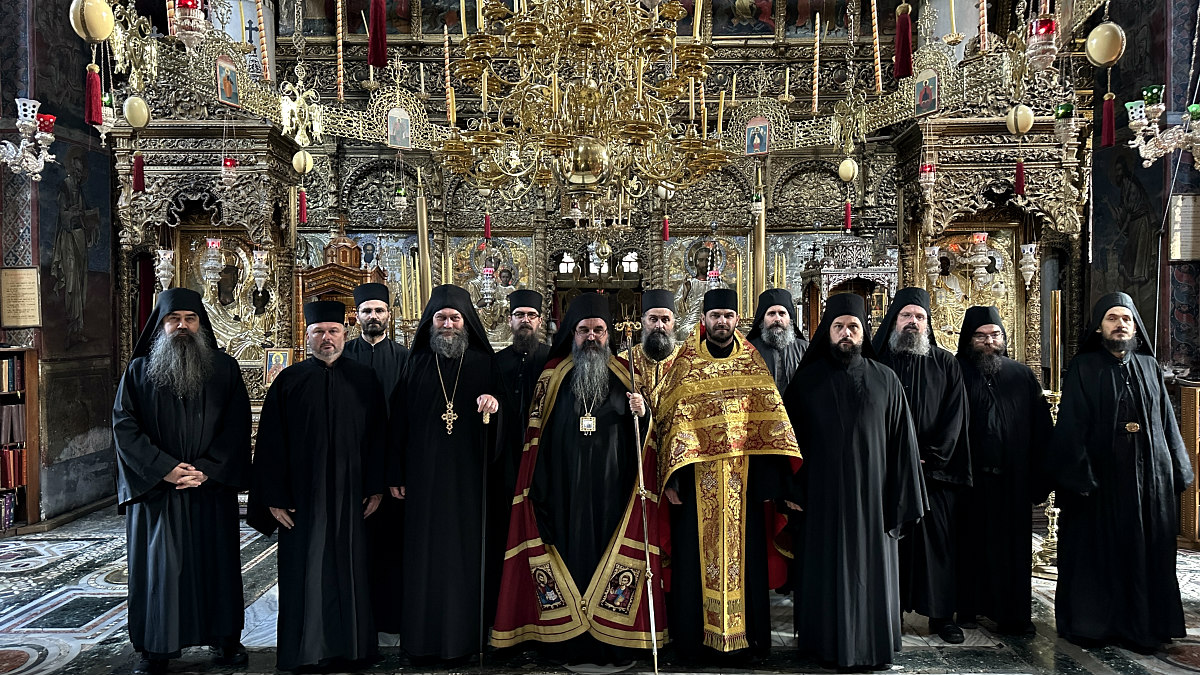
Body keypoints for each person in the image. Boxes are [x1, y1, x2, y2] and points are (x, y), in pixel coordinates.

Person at [491, 293, 666, 664]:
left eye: (598, 330)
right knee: (568, 559)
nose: (591, 337)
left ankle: (615, 643)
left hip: (613, 493)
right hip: (564, 492)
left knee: (610, 558)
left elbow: (647, 441)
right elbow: (536, 437)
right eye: (584, 330)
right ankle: (565, 642)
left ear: (608, 333)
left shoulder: (626, 374)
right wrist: (539, 488)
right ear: (572, 333)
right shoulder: (553, 375)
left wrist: (644, 413)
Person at [655, 288, 802, 661]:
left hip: (743, 486)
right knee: (693, 564)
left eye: (728, 316)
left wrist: (772, 484)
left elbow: (771, 423)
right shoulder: (685, 364)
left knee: (747, 565)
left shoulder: (751, 362)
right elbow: (668, 424)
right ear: (704, 320)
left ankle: (748, 643)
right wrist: (672, 480)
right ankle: (694, 645)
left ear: (738, 319)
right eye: (715, 316)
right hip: (694, 487)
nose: (722, 322)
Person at [783, 292, 926, 670]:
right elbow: (786, 442)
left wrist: (901, 498)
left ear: (864, 331)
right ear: (827, 331)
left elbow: (903, 446)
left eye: (853, 326)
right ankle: (822, 645)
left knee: (870, 575)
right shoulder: (806, 382)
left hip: (873, 502)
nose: (846, 333)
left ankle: (870, 647)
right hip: (820, 500)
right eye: (838, 326)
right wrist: (792, 491)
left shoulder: (886, 380)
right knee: (823, 572)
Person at [113, 288, 251, 675]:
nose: (182, 326)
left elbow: (237, 425)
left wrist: (208, 468)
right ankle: (155, 649)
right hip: (159, 492)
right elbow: (124, 427)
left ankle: (225, 640)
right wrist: (165, 469)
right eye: (173, 319)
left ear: (200, 325)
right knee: (160, 571)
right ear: (160, 325)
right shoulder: (138, 371)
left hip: (210, 489)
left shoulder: (224, 369)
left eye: (190, 319)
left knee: (217, 567)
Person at [1049, 292, 1193, 653]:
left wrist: (1179, 466)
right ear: (1100, 328)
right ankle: (1096, 626)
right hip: (1102, 483)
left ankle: (1146, 627)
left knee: (1148, 552)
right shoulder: (1084, 367)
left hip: (1149, 481)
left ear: (1135, 326)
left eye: (1126, 318)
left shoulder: (1149, 365)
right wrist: (1079, 475)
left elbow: (1166, 420)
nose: (1120, 324)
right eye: (1112, 318)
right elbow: (1071, 425)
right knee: (1101, 552)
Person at [248, 300, 386, 672]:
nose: (327, 338)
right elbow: (270, 443)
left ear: (345, 333)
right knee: (305, 573)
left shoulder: (365, 379)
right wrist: (273, 497)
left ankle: (354, 651)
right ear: (307, 336)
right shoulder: (288, 381)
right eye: (319, 332)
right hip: (302, 500)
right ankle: (306, 653)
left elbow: (378, 437)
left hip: (351, 497)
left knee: (352, 571)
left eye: (333, 331)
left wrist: (375, 487)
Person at [388, 284, 502, 664]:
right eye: (442, 318)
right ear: (431, 323)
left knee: (466, 558)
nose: (448, 324)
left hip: (470, 483)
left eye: (455, 318)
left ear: (467, 322)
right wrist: (396, 472)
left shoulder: (485, 364)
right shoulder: (416, 363)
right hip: (423, 482)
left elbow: (507, 422)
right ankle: (421, 641)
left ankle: (465, 639)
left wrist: (495, 406)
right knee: (423, 558)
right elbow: (397, 423)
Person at [872, 287, 971, 644]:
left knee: (936, 545)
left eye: (919, 317)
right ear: (894, 320)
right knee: (890, 543)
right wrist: (892, 456)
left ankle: (941, 616)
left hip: (933, 473)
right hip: (887, 472)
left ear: (928, 324)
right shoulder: (876, 361)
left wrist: (932, 455)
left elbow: (955, 415)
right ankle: (890, 612)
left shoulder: (945, 363)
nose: (913, 322)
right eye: (906, 315)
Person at [954, 306, 1053, 635]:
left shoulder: (1021, 375)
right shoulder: (954, 371)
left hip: (1013, 480)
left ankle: (1012, 615)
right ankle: (967, 610)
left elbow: (1041, 430)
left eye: (995, 335)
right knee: (968, 547)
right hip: (968, 480)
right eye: (981, 336)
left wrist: (1039, 478)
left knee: (1011, 552)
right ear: (969, 339)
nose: (989, 342)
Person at [341, 282, 411, 635]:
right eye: (366, 311)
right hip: (351, 465)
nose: (373, 316)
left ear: (389, 315)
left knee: (390, 546)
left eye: (379, 310)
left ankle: (390, 616)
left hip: (392, 464)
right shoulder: (342, 355)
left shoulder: (405, 357)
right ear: (356, 317)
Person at [747, 288, 809, 394]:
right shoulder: (749, 350)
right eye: (771, 314)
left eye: (782, 313)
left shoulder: (805, 349)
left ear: (790, 319)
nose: (777, 319)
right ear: (762, 319)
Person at [628, 289, 681, 408]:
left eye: (665, 320)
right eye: (653, 319)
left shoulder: (684, 358)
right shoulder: (626, 360)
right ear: (643, 322)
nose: (659, 326)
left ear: (673, 323)